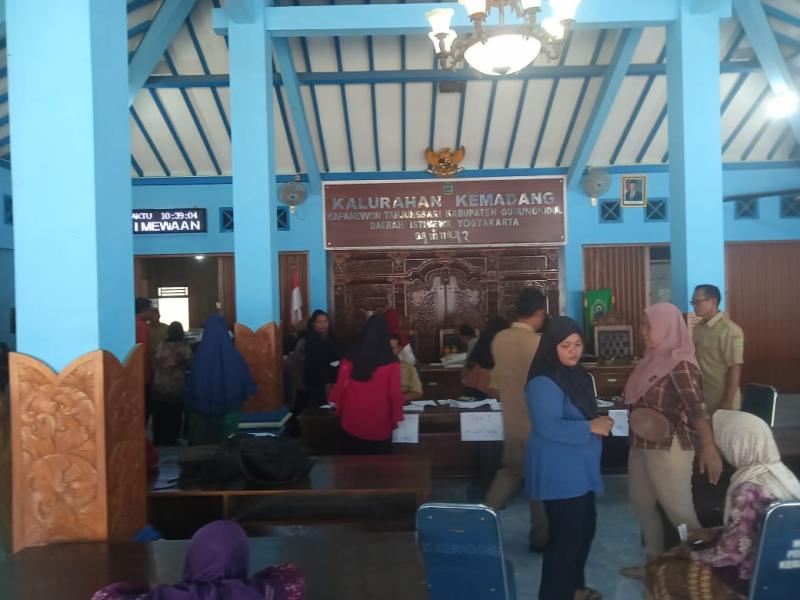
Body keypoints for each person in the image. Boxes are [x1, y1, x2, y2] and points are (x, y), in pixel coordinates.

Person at [645, 410, 800, 599]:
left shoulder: (748, 488)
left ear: (735, 444)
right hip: (782, 569)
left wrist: (692, 556)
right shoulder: (782, 475)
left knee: (665, 572)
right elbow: (758, 528)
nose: (719, 448)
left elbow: (733, 553)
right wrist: (712, 532)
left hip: (751, 577)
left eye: (721, 442)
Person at [621, 303, 723, 579]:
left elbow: (697, 409)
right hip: (641, 444)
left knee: (679, 512)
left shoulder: (680, 363)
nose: (643, 331)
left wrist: (709, 447)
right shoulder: (650, 360)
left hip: (669, 448)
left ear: (667, 327)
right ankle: (654, 568)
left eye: (649, 325)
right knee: (642, 503)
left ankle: (702, 574)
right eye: (643, 325)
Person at [526, 317, 613, 600]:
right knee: (565, 541)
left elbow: (582, 411)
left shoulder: (577, 375)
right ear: (552, 346)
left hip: (580, 469)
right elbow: (547, 426)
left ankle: (575, 589)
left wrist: (598, 421)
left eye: (577, 344)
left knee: (583, 531)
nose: (573, 351)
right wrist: (591, 426)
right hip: (560, 471)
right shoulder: (543, 381)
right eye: (565, 345)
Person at [485, 287, 550, 550]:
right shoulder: (538, 344)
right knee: (541, 481)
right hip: (538, 422)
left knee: (510, 472)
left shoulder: (499, 339)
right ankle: (541, 537)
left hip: (511, 420)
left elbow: (496, 382)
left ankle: (479, 522)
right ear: (540, 312)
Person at [91, 520, 305, 599]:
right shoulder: (260, 593)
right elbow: (291, 574)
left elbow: (104, 596)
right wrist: (244, 583)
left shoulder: (166, 596)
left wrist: (147, 586)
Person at [328, 314, 404, 454]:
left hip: (352, 416)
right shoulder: (391, 361)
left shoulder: (350, 355)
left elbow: (341, 385)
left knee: (351, 461)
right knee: (379, 463)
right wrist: (396, 416)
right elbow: (395, 393)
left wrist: (337, 408)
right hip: (380, 418)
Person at [185, 315, 257, 445]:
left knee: (204, 443)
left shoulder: (199, 355)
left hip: (202, 411)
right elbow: (243, 378)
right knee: (227, 443)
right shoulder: (234, 355)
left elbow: (192, 382)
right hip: (229, 409)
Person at [691, 284, 744, 413]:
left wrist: (727, 402)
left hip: (722, 400)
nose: (694, 306)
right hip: (704, 398)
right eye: (693, 302)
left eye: (698, 302)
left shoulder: (729, 330)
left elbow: (735, 368)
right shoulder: (698, 328)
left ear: (713, 301)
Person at [151, 322, 193, 446]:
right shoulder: (183, 348)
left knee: (159, 415)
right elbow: (191, 364)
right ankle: (170, 439)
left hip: (158, 386)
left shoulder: (161, 345)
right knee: (173, 415)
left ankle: (158, 438)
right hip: (174, 387)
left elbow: (154, 361)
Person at [301, 309, 341, 409]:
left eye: (325, 321)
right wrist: (327, 382)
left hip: (328, 378)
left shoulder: (328, 337)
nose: (323, 325)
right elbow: (318, 364)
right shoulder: (313, 339)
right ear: (313, 324)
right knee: (320, 408)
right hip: (318, 382)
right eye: (319, 322)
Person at [461, 317, 508, 400]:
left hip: (481, 379)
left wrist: (464, 373)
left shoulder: (486, 336)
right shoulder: (508, 338)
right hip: (502, 380)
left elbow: (473, 359)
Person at [390, 333, 423, 402]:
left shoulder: (409, 368)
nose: (388, 351)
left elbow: (418, 392)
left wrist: (396, 399)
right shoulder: (373, 369)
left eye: (392, 348)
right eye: (385, 348)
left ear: (399, 349)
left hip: (401, 404)